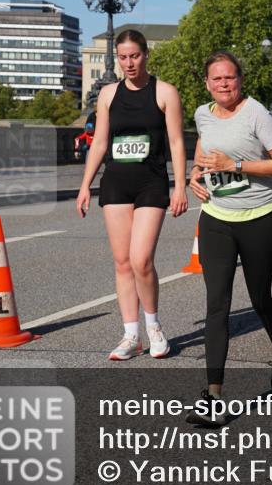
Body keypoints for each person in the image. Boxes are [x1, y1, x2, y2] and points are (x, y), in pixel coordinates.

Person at [184, 50, 272, 426]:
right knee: (217, 305)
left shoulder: (256, 113)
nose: (223, 84)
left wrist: (236, 165)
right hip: (216, 219)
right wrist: (194, 176)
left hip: (260, 218)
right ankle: (213, 396)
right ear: (207, 83)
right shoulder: (202, 114)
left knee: (260, 298)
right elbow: (201, 153)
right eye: (216, 79)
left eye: (229, 77)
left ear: (240, 80)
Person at [75, 29, 188, 361]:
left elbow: (177, 143)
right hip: (116, 183)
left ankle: (154, 328)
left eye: (134, 56)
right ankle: (130, 335)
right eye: (122, 57)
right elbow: (99, 142)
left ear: (146, 55)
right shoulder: (109, 95)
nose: (128, 63)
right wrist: (85, 185)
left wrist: (179, 185)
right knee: (123, 262)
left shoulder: (165, 92)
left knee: (141, 260)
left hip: (151, 183)